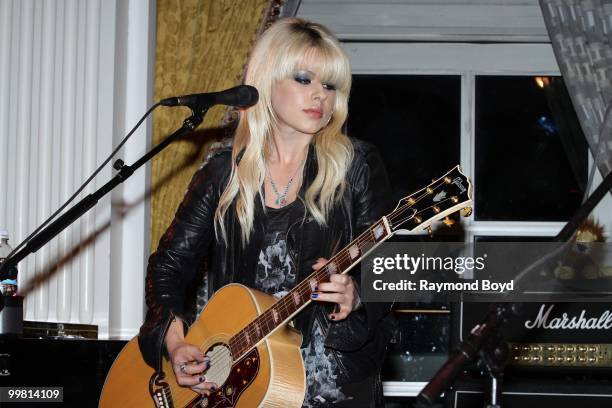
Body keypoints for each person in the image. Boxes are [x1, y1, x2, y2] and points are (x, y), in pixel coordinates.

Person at [139, 17, 396, 408]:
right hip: (240, 384)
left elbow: (389, 268)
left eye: (329, 85)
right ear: (266, 80)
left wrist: (357, 295)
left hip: (329, 384)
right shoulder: (222, 173)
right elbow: (168, 266)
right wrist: (174, 341)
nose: (320, 96)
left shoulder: (357, 166)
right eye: (304, 79)